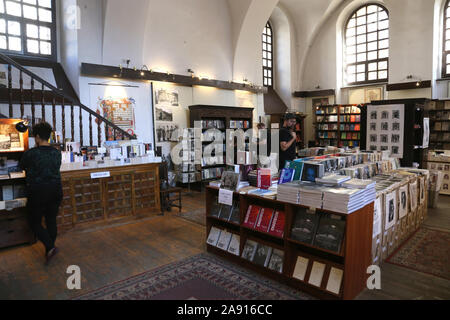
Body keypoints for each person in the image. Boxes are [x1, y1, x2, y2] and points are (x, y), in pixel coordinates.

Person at [20, 122, 63, 265]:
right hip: (56, 190)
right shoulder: (57, 153)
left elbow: (22, 166)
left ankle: (50, 247)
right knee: (51, 220)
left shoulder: (31, 153)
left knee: (34, 222)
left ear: (37, 136)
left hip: (38, 191)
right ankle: (49, 250)